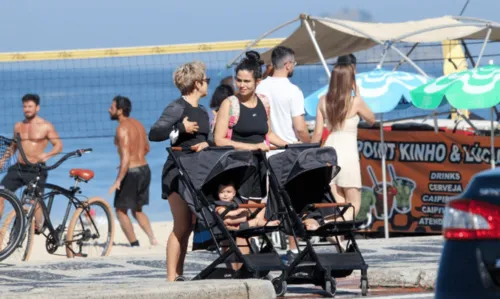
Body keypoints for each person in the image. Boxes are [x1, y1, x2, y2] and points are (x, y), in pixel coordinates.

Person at [149, 61, 212, 282]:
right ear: (197, 83)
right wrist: (179, 128)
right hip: (177, 171)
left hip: (198, 171)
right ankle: (170, 278)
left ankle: (180, 273)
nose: (207, 85)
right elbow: (155, 133)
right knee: (181, 225)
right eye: (206, 80)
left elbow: (206, 139)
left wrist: (209, 145)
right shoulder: (178, 106)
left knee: (189, 226)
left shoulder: (203, 111)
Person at [255, 46, 311, 260]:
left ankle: (264, 246)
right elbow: (300, 126)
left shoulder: (261, 87)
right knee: (291, 202)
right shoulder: (293, 91)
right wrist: (309, 143)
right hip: (287, 150)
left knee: (267, 203)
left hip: (264, 151)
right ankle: (293, 248)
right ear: (288, 65)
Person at [214, 50, 288, 207]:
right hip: (237, 167)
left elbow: (268, 133)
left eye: (247, 81)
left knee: (257, 211)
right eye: (238, 80)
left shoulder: (264, 102)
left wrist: (289, 145)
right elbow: (219, 140)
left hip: (259, 165)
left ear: (257, 81)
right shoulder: (229, 104)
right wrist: (253, 147)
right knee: (241, 213)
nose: (241, 85)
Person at [311, 64, 376, 225]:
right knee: (354, 206)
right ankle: (323, 226)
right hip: (348, 155)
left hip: (329, 154)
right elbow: (372, 119)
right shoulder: (356, 101)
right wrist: (358, 94)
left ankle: (338, 242)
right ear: (350, 81)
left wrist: (310, 153)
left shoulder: (322, 101)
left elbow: (318, 134)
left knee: (340, 206)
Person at [0, 94, 62, 233]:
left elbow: (58, 145)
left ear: (37, 107)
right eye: (25, 106)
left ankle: (38, 225)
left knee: (36, 200)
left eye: (30, 106)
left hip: (36, 168)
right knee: (1, 193)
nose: (27, 109)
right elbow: (13, 146)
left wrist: (47, 155)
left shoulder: (45, 126)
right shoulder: (18, 126)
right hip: (18, 168)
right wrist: (3, 160)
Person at [108, 95, 158, 248]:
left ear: (120, 111)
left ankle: (134, 244)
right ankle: (153, 240)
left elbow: (126, 157)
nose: (109, 110)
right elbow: (146, 148)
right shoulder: (138, 124)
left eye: (112, 107)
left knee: (120, 210)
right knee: (137, 210)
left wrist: (119, 179)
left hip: (131, 171)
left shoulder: (121, 129)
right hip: (145, 169)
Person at [256, 46, 310, 144]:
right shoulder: (294, 91)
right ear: (288, 65)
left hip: (265, 148)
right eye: (294, 63)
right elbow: (300, 128)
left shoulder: (259, 87)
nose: (294, 66)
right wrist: (310, 145)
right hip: (287, 148)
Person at [215, 181, 280, 230]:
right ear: (218, 194)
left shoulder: (235, 202)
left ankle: (268, 223)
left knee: (257, 219)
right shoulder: (219, 206)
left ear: (234, 193)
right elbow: (225, 213)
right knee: (227, 219)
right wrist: (238, 211)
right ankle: (242, 220)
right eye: (222, 192)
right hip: (231, 225)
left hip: (241, 224)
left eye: (228, 192)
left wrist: (261, 206)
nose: (225, 195)